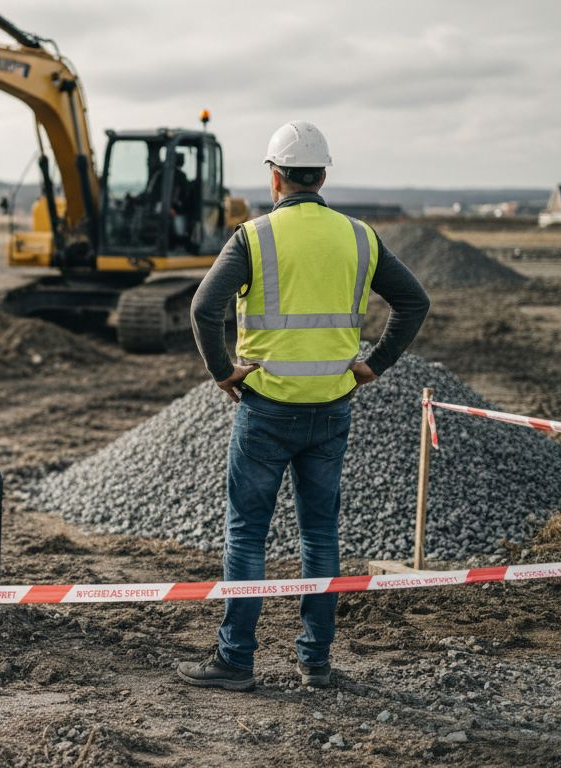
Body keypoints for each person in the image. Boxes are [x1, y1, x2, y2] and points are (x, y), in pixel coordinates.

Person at [180, 121, 430, 691]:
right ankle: (315, 662)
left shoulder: (255, 237)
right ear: (322, 175)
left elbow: (203, 309)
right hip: (333, 407)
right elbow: (414, 301)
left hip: (265, 407)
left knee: (246, 534)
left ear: (275, 177)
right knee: (320, 536)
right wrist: (375, 363)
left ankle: (235, 661)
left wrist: (223, 372)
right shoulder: (360, 237)